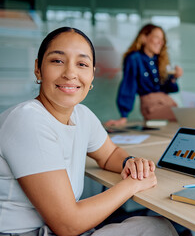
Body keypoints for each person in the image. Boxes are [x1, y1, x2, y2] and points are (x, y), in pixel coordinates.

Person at [0, 27, 178, 236]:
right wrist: (131, 185)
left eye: (82, 64)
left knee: (157, 226)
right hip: (26, 232)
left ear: (92, 74)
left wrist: (129, 162)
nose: (70, 74)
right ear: (38, 68)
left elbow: (109, 154)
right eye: (57, 61)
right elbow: (68, 224)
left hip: (58, 228)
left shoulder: (81, 115)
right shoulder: (27, 120)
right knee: (158, 230)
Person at [105, 24, 183, 127]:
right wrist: (123, 116)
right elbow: (128, 86)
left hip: (168, 102)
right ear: (144, 38)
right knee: (188, 116)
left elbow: (169, 88)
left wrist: (175, 77)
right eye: (157, 37)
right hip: (151, 106)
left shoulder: (160, 60)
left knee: (190, 115)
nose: (161, 42)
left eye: (162, 39)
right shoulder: (134, 58)